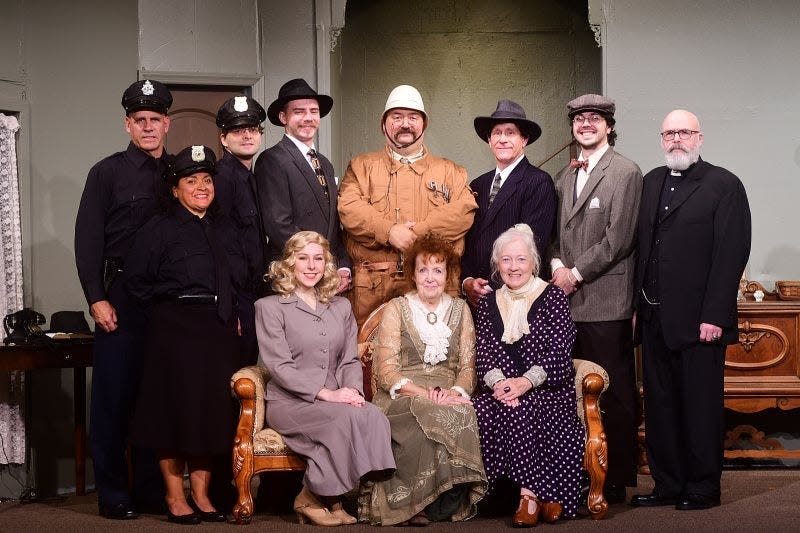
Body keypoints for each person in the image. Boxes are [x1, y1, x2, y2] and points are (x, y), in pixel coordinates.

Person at [631, 110, 750, 511]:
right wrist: (636, 307)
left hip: (701, 321)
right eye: (668, 133)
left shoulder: (724, 185)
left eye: (684, 132)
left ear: (700, 138)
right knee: (661, 407)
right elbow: (642, 250)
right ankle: (668, 484)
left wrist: (715, 315)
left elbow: (731, 254)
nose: (676, 139)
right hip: (653, 318)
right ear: (661, 138)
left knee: (700, 407)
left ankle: (702, 488)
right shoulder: (650, 182)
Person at [124, 145, 246, 524]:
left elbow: (237, 278)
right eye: (191, 181)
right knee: (173, 415)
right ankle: (175, 497)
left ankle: (203, 495)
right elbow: (137, 282)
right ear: (175, 189)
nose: (201, 187)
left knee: (209, 415)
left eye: (207, 180)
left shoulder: (224, 228)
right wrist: (167, 314)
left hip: (217, 330)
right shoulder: (158, 229)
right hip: (174, 332)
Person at [74, 79, 172, 519]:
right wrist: (96, 298)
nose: (148, 127)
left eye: (155, 120)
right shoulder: (107, 172)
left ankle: (151, 489)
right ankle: (112, 491)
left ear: (167, 123)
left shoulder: (178, 174)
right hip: (120, 299)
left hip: (166, 303)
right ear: (128, 124)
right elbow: (88, 241)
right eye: (140, 120)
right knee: (113, 399)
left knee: (155, 398)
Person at [255, 231, 395, 526]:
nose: (311, 266)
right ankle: (312, 497)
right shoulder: (268, 307)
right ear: (289, 263)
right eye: (303, 258)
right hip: (290, 402)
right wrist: (327, 394)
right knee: (340, 421)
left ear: (326, 265)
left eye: (318, 259)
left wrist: (353, 391)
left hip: (334, 397)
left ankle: (332, 497)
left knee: (372, 417)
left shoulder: (341, 307)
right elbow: (278, 366)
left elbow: (348, 360)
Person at [549, 94, 643, 503]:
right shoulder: (564, 176)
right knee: (572, 390)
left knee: (614, 392)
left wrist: (575, 273)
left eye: (594, 119)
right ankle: (582, 474)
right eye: (579, 119)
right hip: (567, 299)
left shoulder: (625, 171)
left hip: (605, 300)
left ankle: (618, 476)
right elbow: (554, 234)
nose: (586, 124)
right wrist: (555, 267)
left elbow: (619, 240)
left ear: (608, 126)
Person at [360, 235, 488, 526]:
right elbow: (388, 371)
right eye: (423, 270)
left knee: (461, 410)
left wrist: (454, 391)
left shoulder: (461, 309)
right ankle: (408, 504)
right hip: (401, 393)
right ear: (413, 275)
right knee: (427, 410)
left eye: (438, 270)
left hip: (448, 392)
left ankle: (443, 503)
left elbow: (468, 367)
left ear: (448, 274)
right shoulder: (397, 308)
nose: (430, 278)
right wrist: (424, 392)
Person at [338, 84, 478, 327]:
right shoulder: (361, 167)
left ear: (423, 124)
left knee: (437, 359)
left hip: (437, 288)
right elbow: (349, 207)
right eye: (397, 117)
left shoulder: (450, 171)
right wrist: (389, 231)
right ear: (384, 124)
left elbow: (463, 210)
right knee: (372, 361)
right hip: (372, 291)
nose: (405, 124)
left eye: (413, 117)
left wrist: (417, 234)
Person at [473, 224, 584, 527]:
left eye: (521, 259)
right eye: (506, 260)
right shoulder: (487, 302)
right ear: (497, 264)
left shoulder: (554, 298)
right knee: (482, 408)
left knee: (526, 408)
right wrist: (499, 385)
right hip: (502, 391)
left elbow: (559, 353)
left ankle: (530, 496)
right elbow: (484, 351)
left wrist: (523, 383)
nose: (513, 267)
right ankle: (517, 493)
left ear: (534, 262)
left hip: (546, 388)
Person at [254, 78, 351, 293]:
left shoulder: (325, 163)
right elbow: (278, 224)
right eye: (299, 112)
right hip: (292, 275)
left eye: (314, 111)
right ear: (283, 118)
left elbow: (333, 225)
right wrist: (317, 262)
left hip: (325, 276)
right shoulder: (272, 160)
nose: (308, 118)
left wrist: (342, 265)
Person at [462, 99, 557, 307]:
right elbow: (468, 240)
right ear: (489, 140)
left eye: (510, 132)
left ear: (524, 140)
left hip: (516, 299)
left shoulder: (538, 181)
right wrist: (468, 281)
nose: (502, 139)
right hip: (477, 299)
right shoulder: (478, 184)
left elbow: (533, 246)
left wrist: (492, 288)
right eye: (497, 133)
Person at [214, 94, 268, 364]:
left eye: (252, 129)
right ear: (224, 138)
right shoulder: (222, 178)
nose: (247, 136)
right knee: (236, 376)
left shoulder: (252, 177)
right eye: (237, 130)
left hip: (254, 294)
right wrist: (231, 307)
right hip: (237, 299)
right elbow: (221, 249)